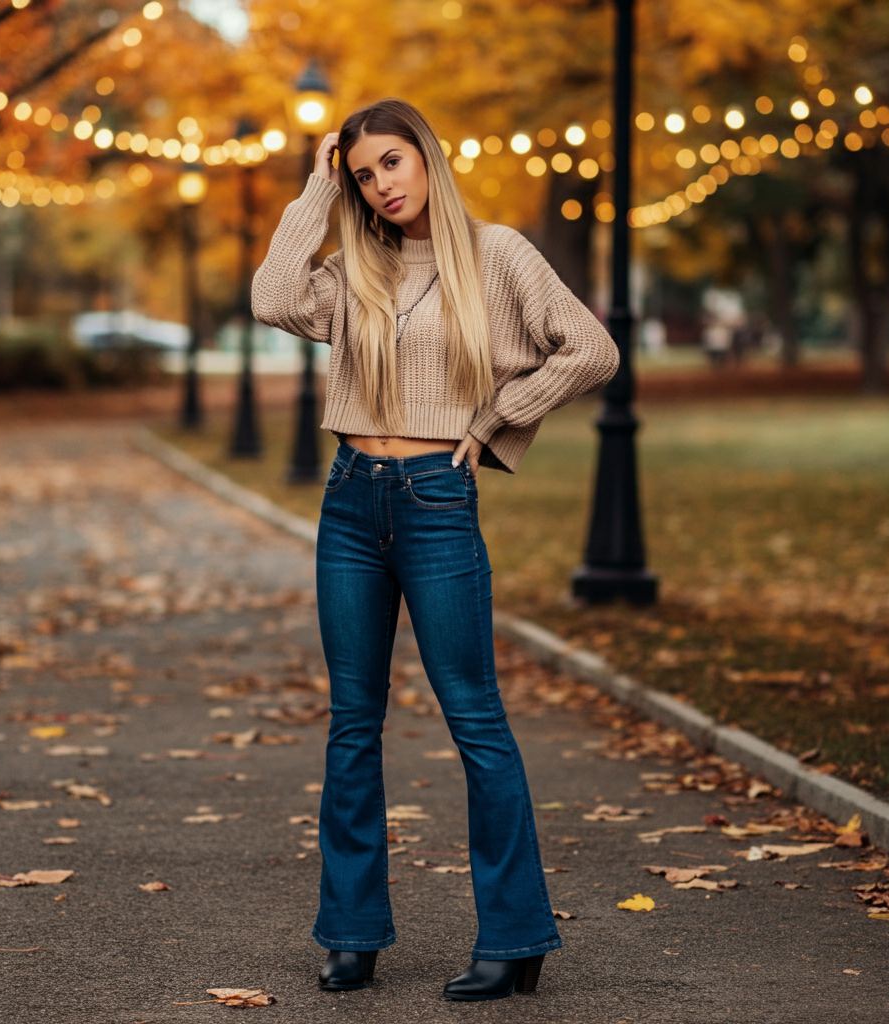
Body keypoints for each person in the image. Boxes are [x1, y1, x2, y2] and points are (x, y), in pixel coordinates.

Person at [252, 97, 618, 1002]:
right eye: (365, 172)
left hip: (436, 500)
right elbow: (269, 298)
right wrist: (316, 187)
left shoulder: (497, 256)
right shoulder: (352, 270)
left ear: (426, 156)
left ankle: (517, 936)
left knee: (474, 718)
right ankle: (350, 933)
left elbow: (592, 349)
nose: (382, 185)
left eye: (391, 163)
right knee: (352, 724)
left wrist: (502, 414)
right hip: (348, 505)